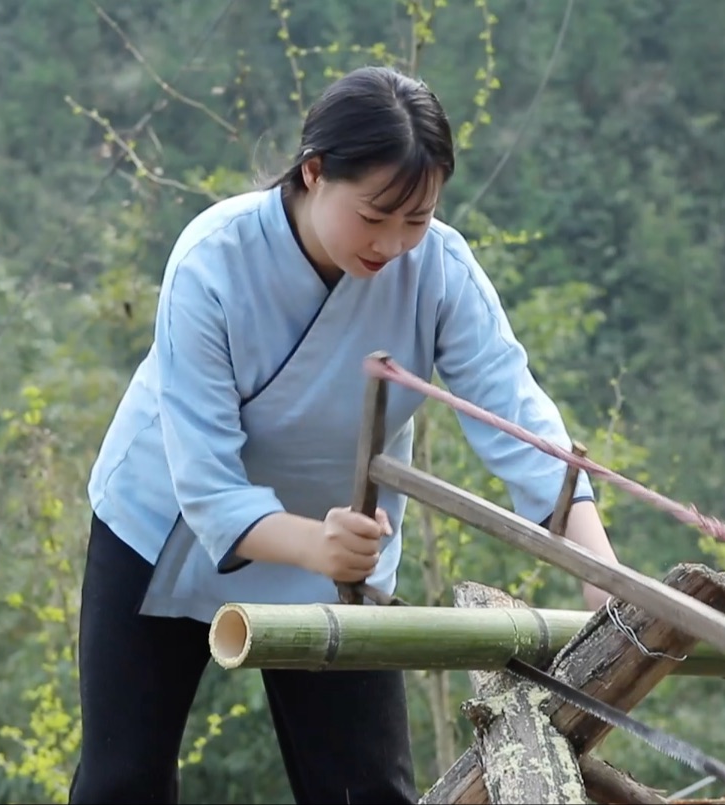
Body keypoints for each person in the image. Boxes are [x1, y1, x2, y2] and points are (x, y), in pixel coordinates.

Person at [70, 65, 620, 805]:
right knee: (122, 781)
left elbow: (520, 421)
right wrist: (309, 542)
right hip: (164, 527)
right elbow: (204, 483)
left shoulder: (441, 268)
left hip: (343, 553)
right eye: (374, 215)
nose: (393, 243)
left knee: (365, 790)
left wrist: (605, 580)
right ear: (314, 172)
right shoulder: (213, 259)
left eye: (416, 218)